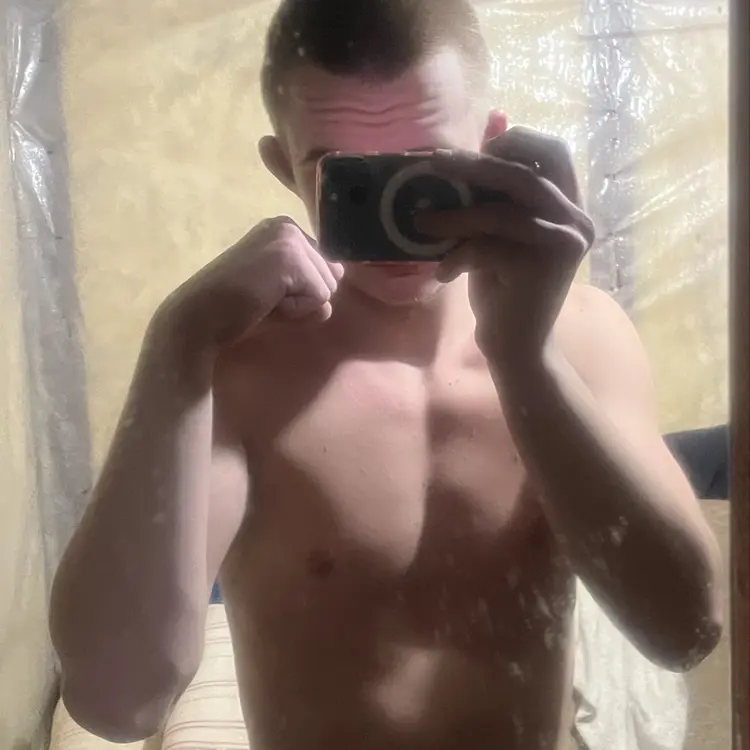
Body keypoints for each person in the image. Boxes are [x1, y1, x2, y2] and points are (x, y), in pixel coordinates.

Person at [49, 1, 724, 748]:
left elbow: (686, 632)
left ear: (488, 145)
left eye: (426, 167)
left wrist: (524, 358)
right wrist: (174, 346)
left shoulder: (584, 338)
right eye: (349, 176)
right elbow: (118, 705)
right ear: (284, 168)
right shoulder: (240, 372)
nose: (399, 212)